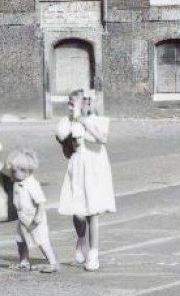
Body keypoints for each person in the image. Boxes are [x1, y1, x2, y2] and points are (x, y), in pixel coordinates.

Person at [55, 87, 115, 271]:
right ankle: (82, 240)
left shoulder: (99, 120)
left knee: (93, 211)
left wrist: (83, 121)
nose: (71, 107)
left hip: (95, 168)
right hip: (77, 167)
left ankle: (93, 254)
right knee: (78, 212)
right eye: (69, 103)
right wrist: (73, 121)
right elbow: (61, 137)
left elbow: (102, 138)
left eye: (75, 103)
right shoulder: (66, 121)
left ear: (87, 103)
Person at [8, 148, 58, 273]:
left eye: (14, 172)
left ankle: (53, 263)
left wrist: (38, 217)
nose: (11, 174)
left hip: (35, 219)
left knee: (42, 240)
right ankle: (24, 261)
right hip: (23, 218)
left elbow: (40, 202)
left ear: (25, 171)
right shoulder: (18, 182)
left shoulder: (32, 184)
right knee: (20, 239)